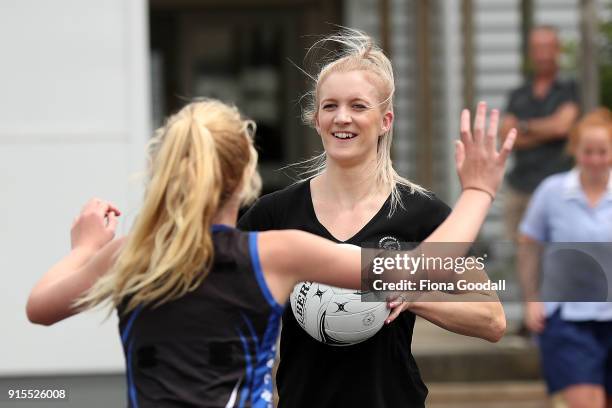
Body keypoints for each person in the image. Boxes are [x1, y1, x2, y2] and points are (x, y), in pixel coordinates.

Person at [27, 98, 514, 407]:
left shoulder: (132, 257)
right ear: (244, 178)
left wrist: (85, 249)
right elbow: (418, 268)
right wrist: (478, 190)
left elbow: (41, 308)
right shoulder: (275, 253)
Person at [237, 30, 509, 408]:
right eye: (329, 106)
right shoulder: (275, 214)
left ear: (385, 120)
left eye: (358, 106)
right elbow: (221, 304)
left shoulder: (421, 214)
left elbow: (491, 319)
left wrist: (412, 297)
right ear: (315, 119)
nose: (342, 117)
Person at [518, 108, 612, 408]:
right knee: (589, 402)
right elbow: (528, 244)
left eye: (603, 152)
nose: (595, 159)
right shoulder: (552, 192)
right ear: (574, 150)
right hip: (567, 320)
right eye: (588, 152)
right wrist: (531, 298)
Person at [500, 25, 579, 241]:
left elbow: (562, 126)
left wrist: (523, 127)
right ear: (531, 53)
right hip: (520, 188)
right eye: (537, 48)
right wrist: (547, 129)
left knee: (557, 257)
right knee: (520, 260)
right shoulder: (519, 93)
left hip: (558, 188)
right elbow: (507, 135)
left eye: (547, 47)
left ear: (557, 50)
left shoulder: (570, 89)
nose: (543, 54)